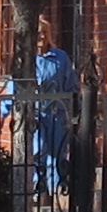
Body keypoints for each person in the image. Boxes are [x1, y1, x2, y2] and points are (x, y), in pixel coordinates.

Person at [27, 33, 78, 199]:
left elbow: (70, 83)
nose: (40, 36)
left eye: (44, 33)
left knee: (57, 153)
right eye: (38, 32)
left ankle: (56, 190)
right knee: (38, 150)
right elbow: (16, 83)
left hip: (57, 111)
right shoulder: (27, 58)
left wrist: (72, 106)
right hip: (35, 113)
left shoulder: (60, 57)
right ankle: (37, 187)